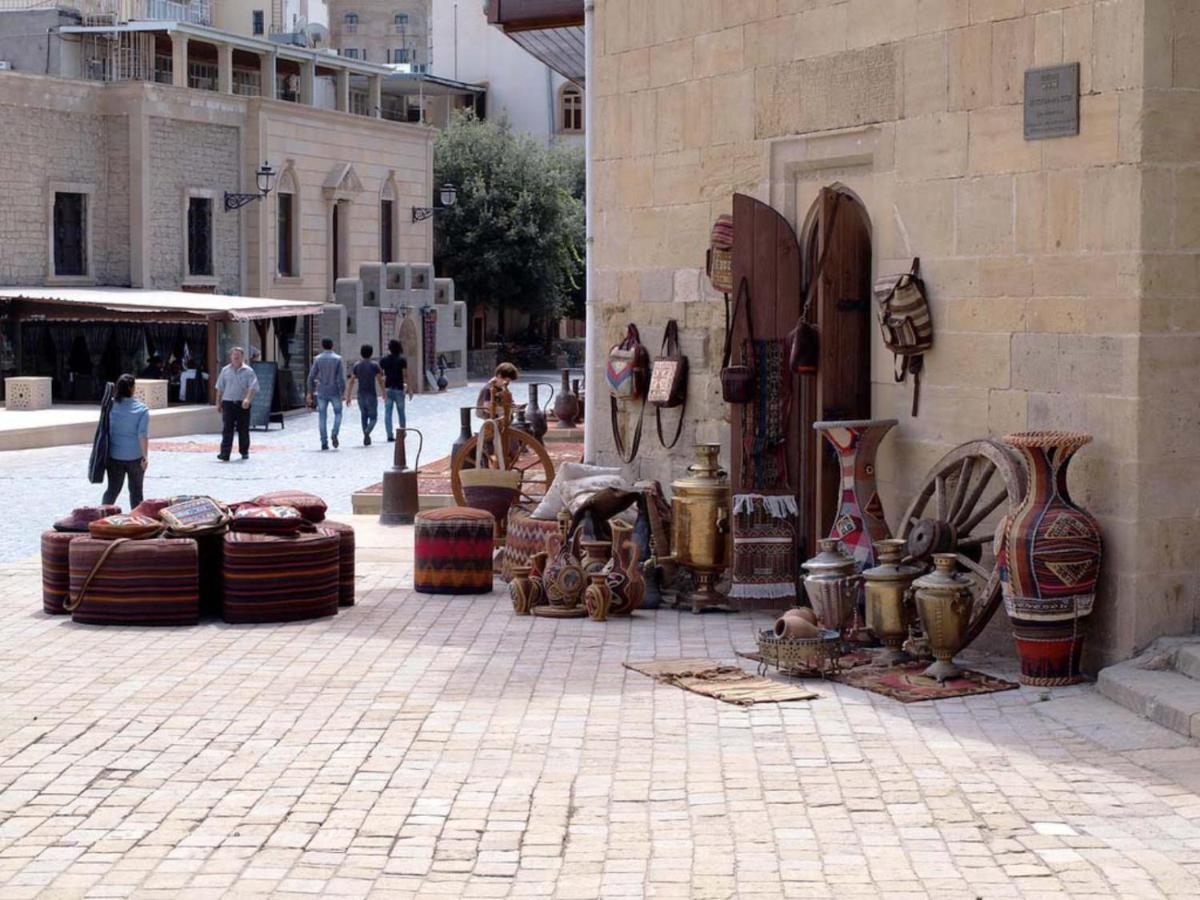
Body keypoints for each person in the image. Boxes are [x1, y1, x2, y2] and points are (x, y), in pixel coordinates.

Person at [102, 374, 149, 507]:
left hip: (114, 456)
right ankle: (137, 521)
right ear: (131, 388)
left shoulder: (109, 406)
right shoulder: (142, 409)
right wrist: (145, 457)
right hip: (135, 457)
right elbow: (142, 435)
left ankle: (102, 514)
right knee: (136, 492)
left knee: (112, 490)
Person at [213, 346, 258, 461]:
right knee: (227, 429)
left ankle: (244, 451)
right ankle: (225, 453)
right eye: (234, 355)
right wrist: (218, 402)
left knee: (243, 429)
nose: (236, 357)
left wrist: (247, 399)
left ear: (242, 357)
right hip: (228, 403)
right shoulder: (225, 370)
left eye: (238, 355)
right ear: (231, 357)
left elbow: (253, 387)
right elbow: (220, 388)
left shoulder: (249, 371)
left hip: (242, 404)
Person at [307, 337, 346, 451]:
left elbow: (311, 376)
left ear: (322, 346)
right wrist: (342, 391)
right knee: (338, 413)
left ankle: (324, 442)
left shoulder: (318, 359)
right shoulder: (338, 359)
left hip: (322, 391)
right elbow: (341, 378)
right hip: (334, 390)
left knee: (322, 416)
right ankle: (334, 432)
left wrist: (310, 391)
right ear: (332, 345)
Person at [345, 344, 385, 446]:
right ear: (371, 353)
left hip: (360, 394)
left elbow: (352, 381)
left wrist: (348, 395)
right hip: (371, 394)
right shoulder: (374, 365)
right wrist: (384, 393)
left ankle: (365, 434)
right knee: (373, 417)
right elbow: (380, 380)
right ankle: (368, 431)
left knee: (364, 416)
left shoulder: (357, 365)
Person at [379, 339, 413, 443]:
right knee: (401, 412)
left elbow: (381, 375)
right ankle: (402, 432)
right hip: (399, 388)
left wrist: (382, 389)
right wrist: (410, 389)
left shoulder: (383, 360)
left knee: (388, 412)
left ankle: (389, 435)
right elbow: (405, 375)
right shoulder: (402, 360)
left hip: (388, 388)